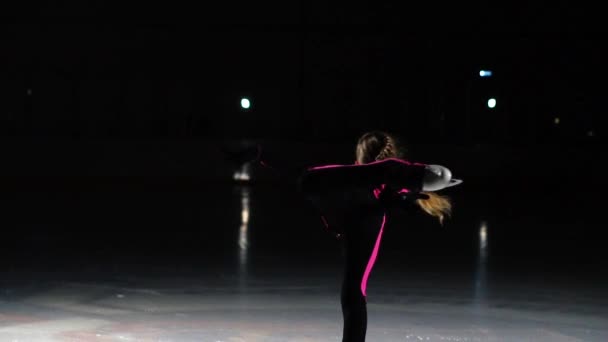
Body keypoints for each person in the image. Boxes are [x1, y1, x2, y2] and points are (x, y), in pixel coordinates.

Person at [298, 131, 461, 342]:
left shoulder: (364, 186)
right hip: (361, 205)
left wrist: (399, 193)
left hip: (353, 203)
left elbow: (309, 182)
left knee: (353, 290)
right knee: (354, 290)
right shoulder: (377, 185)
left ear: (358, 159)